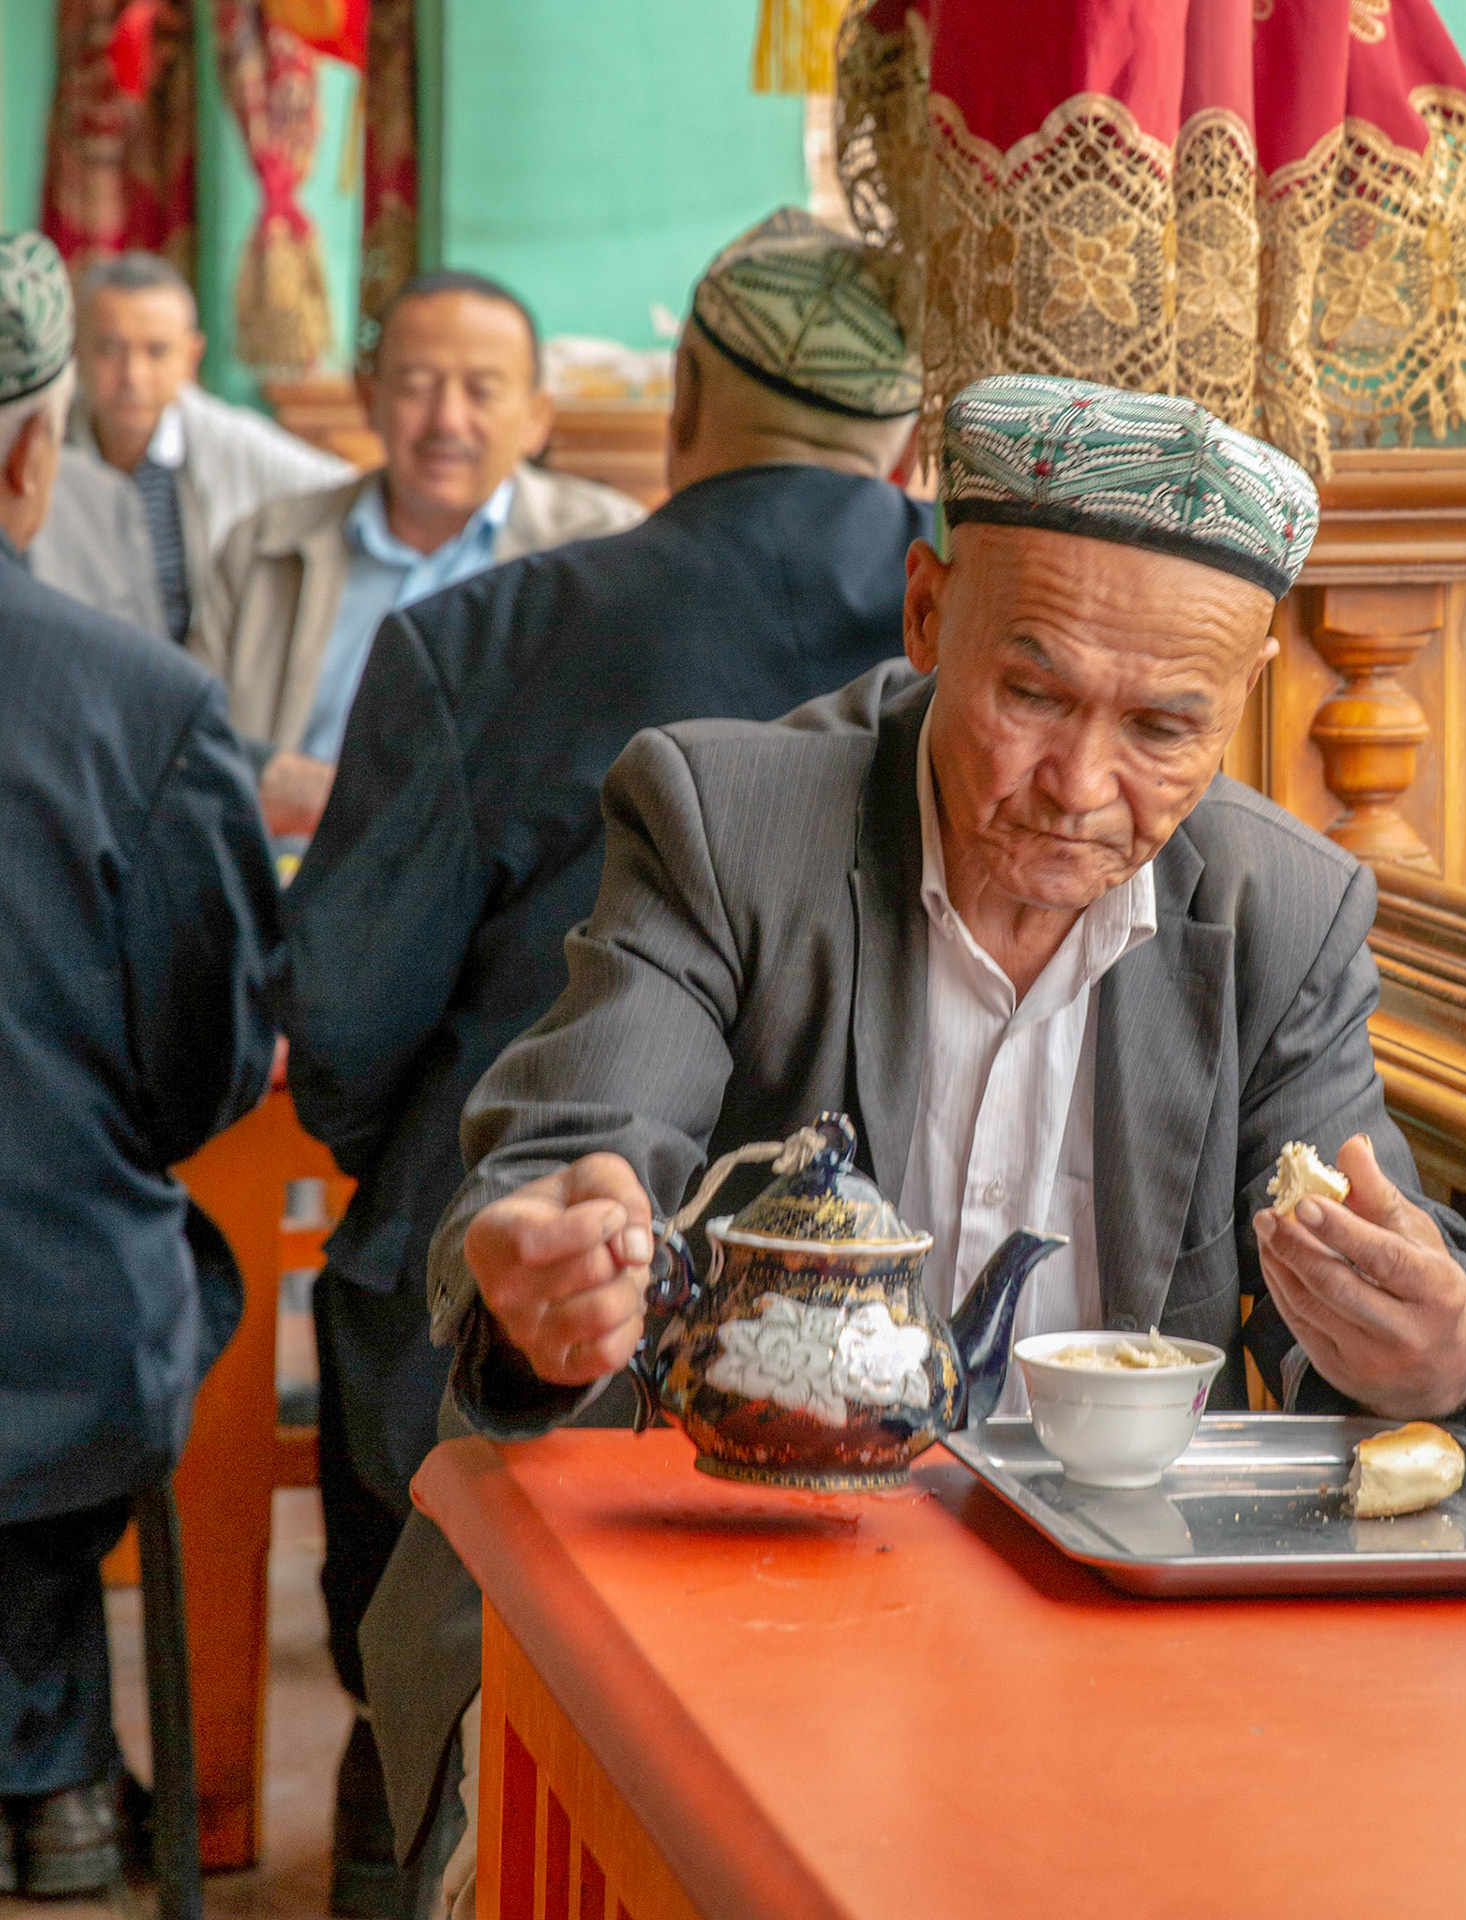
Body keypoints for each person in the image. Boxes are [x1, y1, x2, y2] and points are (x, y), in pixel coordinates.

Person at [361, 373, 1466, 1907]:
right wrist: (550, 1267)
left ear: (1240, 701)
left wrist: (1422, 1346)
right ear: (926, 616)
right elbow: (578, 1142)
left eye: (1166, 726)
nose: (1081, 787)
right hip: (713, 1587)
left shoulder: (1281, 913)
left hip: (1093, 1628)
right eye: (1031, 694)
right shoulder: (729, 817)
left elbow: (1385, 1295)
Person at [279, 208, 927, 1918]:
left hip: (497, 1349)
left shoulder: (484, 637)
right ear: (913, 447)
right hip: (906, 1367)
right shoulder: (979, 633)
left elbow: (341, 1034)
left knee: (431, 1717)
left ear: (686, 398)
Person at [0, 233, 279, 1897]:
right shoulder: (144, 701)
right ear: (34, 457)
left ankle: (48, 1759)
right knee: (134, 1271)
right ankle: (50, 1770)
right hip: (45, 1356)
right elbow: (207, 1072)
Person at [194, 269, 642, 842]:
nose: (447, 421)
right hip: (276, 899)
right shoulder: (267, 546)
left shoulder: (607, 553)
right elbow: (192, 748)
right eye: (416, 385)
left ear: (536, 418)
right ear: (367, 396)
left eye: (481, 390)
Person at [29, 250, 352, 642]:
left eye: (157, 351)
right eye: (111, 350)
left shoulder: (233, 445)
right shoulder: (36, 449)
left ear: (191, 357)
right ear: (76, 351)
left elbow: (346, 493)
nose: (133, 375)